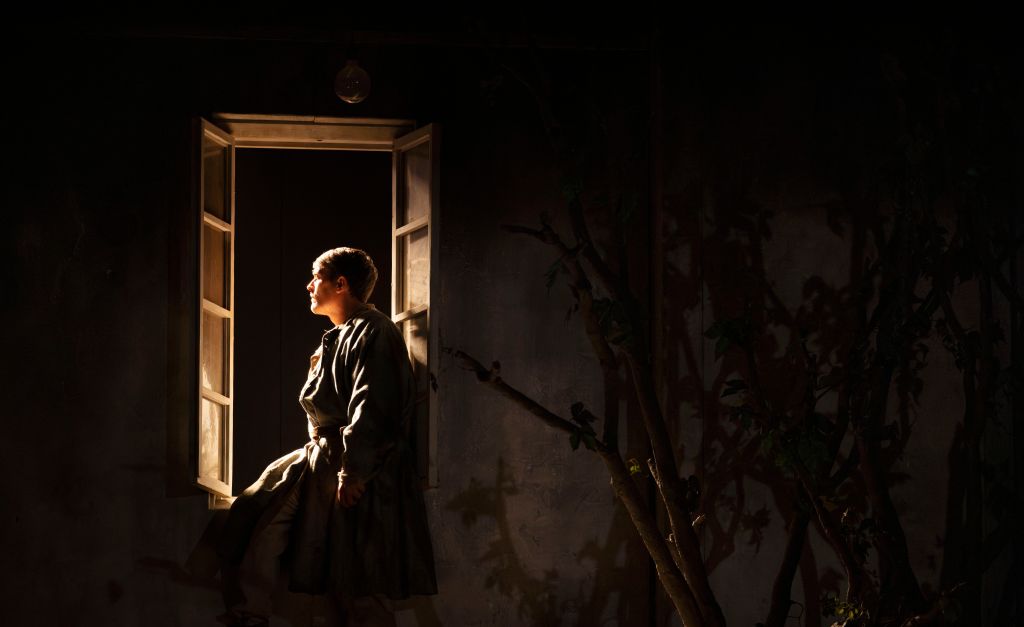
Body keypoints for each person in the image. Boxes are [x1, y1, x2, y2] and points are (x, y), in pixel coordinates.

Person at [216, 247, 437, 627]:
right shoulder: (335, 338)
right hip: (323, 456)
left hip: (357, 464)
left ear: (341, 283)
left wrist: (354, 471)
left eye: (316, 277)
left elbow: (373, 404)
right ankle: (251, 611)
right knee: (265, 515)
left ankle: (254, 610)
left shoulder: (374, 331)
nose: (309, 285)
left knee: (358, 573)